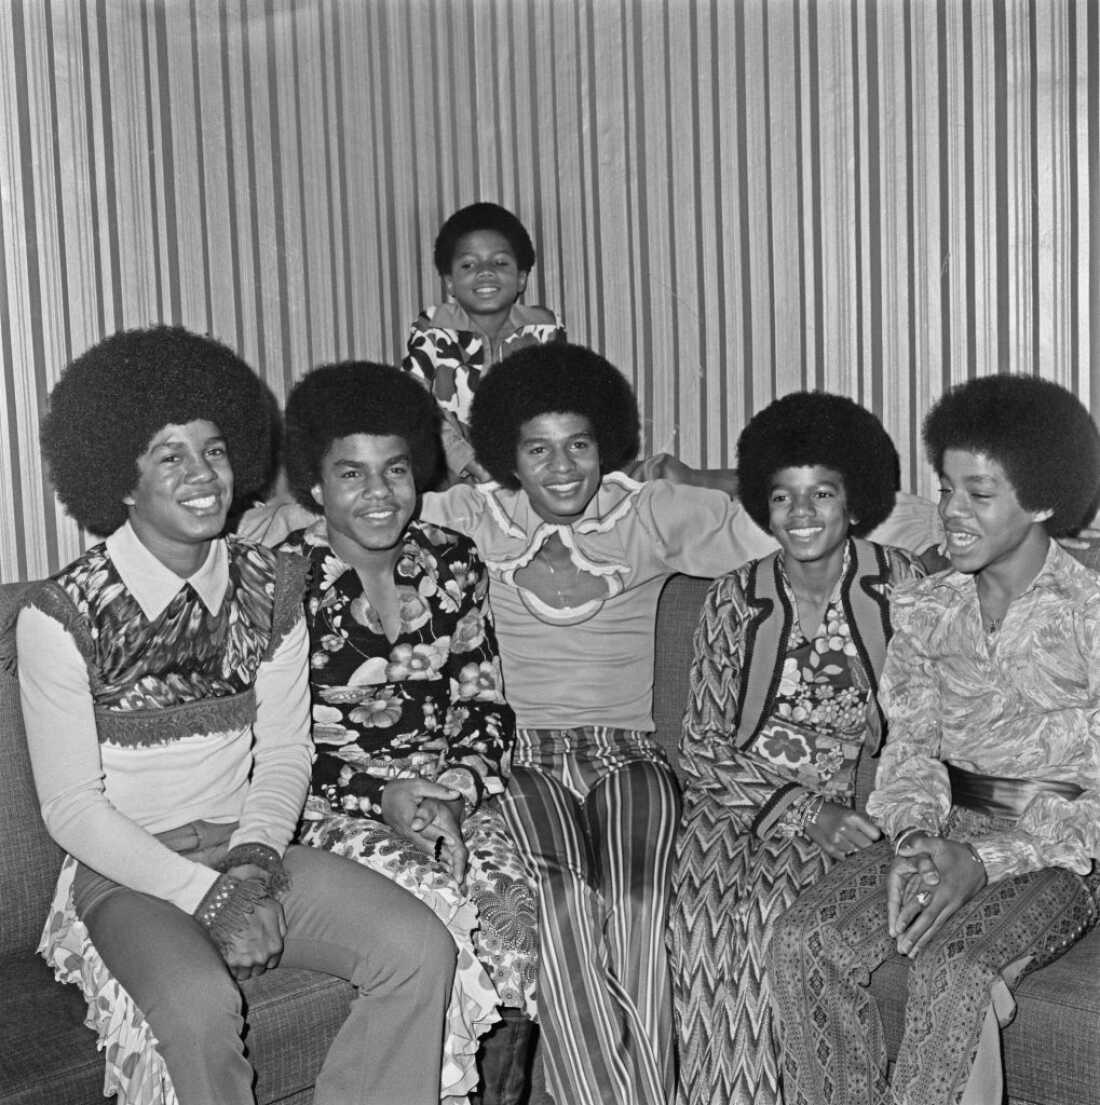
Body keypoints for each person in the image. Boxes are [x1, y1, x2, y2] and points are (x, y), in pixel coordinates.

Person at [20, 326, 455, 1105]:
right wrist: (211, 898)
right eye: (170, 455)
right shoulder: (60, 614)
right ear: (121, 478)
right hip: (128, 871)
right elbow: (71, 808)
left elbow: (286, 751)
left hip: (248, 846)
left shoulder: (272, 584)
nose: (202, 476)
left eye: (214, 450)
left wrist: (250, 868)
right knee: (198, 1004)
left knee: (420, 945)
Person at [414, 342, 781, 1105]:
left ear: (604, 442)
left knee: (643, 901)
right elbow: (362, 513)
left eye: (578, 444)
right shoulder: (472, 518)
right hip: (522, 760)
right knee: (563, 900)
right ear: (506, 455)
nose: (561, 467)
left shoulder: (650, 511)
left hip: (630, 755)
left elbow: (800, 522)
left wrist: (704, 477)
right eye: (537, 448)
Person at [768, 373, 1100, 1105]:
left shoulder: (1091, 611)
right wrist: (916, 835)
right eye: (946, 487)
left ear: (1042, 499)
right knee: (802, 939)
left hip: (1060, 849)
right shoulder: (926, 603)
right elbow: (909, 744)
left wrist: (982, 860)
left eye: (978, 494)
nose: (949, 512)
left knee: (952, 970)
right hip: (943, 821)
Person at [277, 361, 538, 1105]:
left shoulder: (452, 563)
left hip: (450, 795)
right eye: (351, 474)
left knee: (521, 906)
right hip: (329, 808)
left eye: (394, 470)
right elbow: (272, 746)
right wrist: (382, 793)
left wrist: (452, 792)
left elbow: (485, 706)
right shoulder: (277, 582)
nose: (378, 493)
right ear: (316, 484)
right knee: (434, 906)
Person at [668, 392, 924, 1105]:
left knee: (768, 924)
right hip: (738, 795)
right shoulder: (733, 596)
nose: (802, 513)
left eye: (823, 493)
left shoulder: (900, 584)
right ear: (763, 505)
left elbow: (929, 720)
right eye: (784, 496)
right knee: (695, 921)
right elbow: (702, 742)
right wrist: (799, 810)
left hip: (854, 803)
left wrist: (876, 811)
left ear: (855, 500)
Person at [402, 201, 565, 484]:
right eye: (469, 264)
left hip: (527, 472)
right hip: (450, 473)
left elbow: (558, 406)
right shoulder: (433, 327)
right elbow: (414, 403)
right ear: (450, 282)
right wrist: (467, 462)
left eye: (500, 262)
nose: (485, 271)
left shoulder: (544, 329)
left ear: (522, 279)